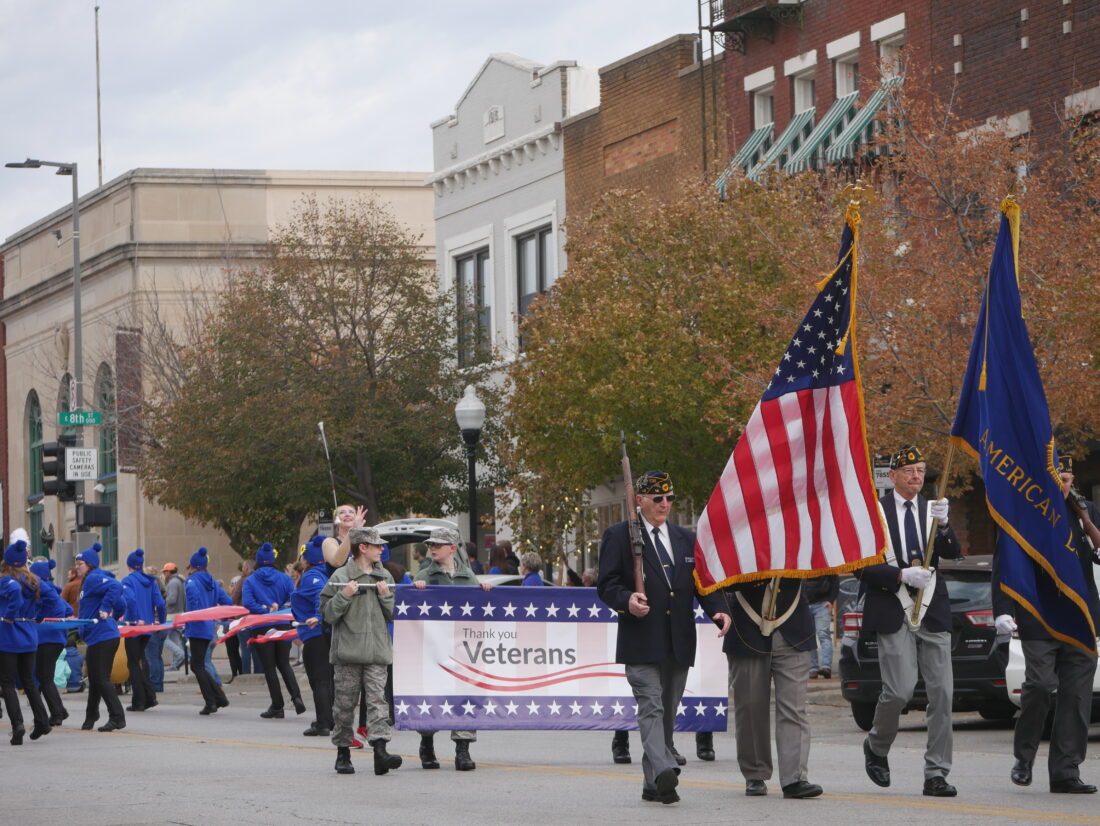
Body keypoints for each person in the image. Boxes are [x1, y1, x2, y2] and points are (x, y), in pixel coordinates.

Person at [596, 470, 731, 805]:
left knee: (666, 713)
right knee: (651, 706)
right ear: (639, 500)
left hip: (678, 639)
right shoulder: (619, 535)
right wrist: (627, 599)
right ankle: (665, 766)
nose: (665, 504)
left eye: (669, 498)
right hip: (641, 639)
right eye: (657, 498)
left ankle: (653, 782)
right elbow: (607, 584)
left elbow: (702, 581)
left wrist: (718, 608)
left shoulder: (685, 538)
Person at [857, 444, 960, 797]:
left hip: (932, 608)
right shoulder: (876, 513)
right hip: (892, 605)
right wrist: (899, 575)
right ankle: (877, 746)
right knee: (899, 690)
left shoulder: (934, 510)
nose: (917, 476)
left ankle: (936, 773)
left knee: (943, 693)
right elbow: (860, 566)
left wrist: (944, 525)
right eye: (910, 471)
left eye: (920, 470)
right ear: (894, 476)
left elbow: (952, 551)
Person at [994, 456, 1100, 794]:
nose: (1063, 486)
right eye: (1058, 479)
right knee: (1039, 686)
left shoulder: (1087, 512)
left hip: (1081, 617)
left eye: (1068, 479)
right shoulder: (1024, 514)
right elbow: (1005, 564)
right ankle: (1024, 757)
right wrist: (1003, 609)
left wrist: (1085, 523)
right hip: (1040, 615)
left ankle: (1066, 772)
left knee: (1077, 697)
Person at [725, 577, 822, 798]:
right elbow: (723, 576)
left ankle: (795, 778)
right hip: (747, 627)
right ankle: (755, 773)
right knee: (750, 707)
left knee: (794, 708)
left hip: (793, 627)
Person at [321, 526, 402, 776]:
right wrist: (344, 595)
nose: (382, 549)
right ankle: (343, 752)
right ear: (363, 548)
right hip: (348, 653)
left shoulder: (384, 575)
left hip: (377, 651)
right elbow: (327, 614)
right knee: (345, 705)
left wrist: (387, 597)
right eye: (377, 545)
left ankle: (380, 750)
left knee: (379, 703)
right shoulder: (341, 575)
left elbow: (395, 614)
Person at [413, 526, 493, 770]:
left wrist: (484, 592)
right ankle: (427, 742)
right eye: (430, 545)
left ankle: (463, 748)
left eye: (438, 544)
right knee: (433, 694)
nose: (432, 548)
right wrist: (416, 591)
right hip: (434, 648)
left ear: (452, 548)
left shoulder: (467, 576)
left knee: (465, 693)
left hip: (462, 646)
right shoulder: (425, 576)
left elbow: (479, 610)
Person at [243, 542, 305, 719]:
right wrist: (278, 609)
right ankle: (297, 697)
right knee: (284, 663)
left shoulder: (251, 580)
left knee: (269, 667)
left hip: (261, 626)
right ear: (272, 560)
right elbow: (293, 599)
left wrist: (265, 610)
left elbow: (248, 603)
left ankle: (277, 705)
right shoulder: (285, 578)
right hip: (283, 624)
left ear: (258, 561)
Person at [0, 540, 51, 744]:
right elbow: (51, 599)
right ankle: (42, 721)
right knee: (29, 682)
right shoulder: (34, 580)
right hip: (29, 637)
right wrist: (38, 616)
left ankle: (17, 725)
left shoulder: (6, 581)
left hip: (8, 638)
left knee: (8, 684)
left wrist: (10, 615)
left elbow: (15, 598)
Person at [75, 542, 126, 732]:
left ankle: (117, 717)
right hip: (100, 636)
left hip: (102, 636)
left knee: (101, 678)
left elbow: (116, 587)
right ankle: (91, 715)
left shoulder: (93, 578)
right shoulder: (90, 581)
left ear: (89, 565)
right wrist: (113, 614)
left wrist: (105, 610)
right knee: (95, 678)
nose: (77, 566)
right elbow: (121, 603)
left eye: (80, 563)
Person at [293, 536, 334, 737]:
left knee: (319, 681)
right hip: (324, 633)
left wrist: (317, 616)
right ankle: (329, 719)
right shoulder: (326, 572)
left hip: (315, 633)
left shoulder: (312, 576)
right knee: (326, 680)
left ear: (307, 558)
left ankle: (323, 722)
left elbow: (321, 595)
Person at [183, 547, 231, 715]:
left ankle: (213, 700)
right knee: (200, 665)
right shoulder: (212, 581)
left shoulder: (191, 582)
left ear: (193, 566)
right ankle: (217, 697)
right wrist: (227, 618)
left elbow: (194, 602)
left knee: (197, 666)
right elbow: (227, 601)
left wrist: (193, 617)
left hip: (196, 627)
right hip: (209, 626)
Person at [120, 549, 166, 713]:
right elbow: (160, 603)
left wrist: (132, 620)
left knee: (132, 663)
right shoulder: (151, 582)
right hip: (148, 626)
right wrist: (161, 621)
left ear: (129, 566)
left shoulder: (128, 580)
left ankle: (141, 700)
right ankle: (148, 697)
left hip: (134, 626)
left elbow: (130, 599)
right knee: (140, 661)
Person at [30, 557, 71, 726]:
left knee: (44, 678)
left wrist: (40, 616)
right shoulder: (53, 591)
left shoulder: (43, 594)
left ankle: (57, 714)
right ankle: (60, 710)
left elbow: (62, 608)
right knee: (46, 677)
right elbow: (68, 609)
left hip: (46, 639)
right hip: (57, 639)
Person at [803, 574, 838, 679]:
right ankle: (812, 668)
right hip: (805, 604)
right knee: (809, 637)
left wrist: (830, 600)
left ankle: (826, 667)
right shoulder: (802, 562)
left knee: (823, 634)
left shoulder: (826, 562)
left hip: (822, 603)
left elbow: (835, 582)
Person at [322, 503, 367, 570]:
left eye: (351, 512)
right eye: (342, 512)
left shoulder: (365, 542)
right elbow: (337, 562)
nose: (347, 515)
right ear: (335, 521)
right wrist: (352, 531)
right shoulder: (329, 542)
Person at [162, 562, 187, 671]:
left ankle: (180, 654)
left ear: (168, 572)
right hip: (180, 613)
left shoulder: (173, 583)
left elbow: (171, 599)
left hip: (171, 615)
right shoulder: (181, 582)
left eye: (164, 572)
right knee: (175, 639)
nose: (164, 574)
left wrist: (163, 601)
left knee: (163, 638)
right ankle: (175, 664)